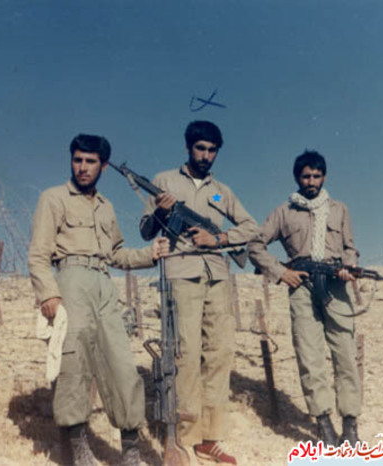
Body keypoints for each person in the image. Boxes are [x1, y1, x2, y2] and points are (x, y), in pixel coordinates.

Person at [28, 133, 169, 466]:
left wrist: (149, 254)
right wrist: (48, 293)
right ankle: (79, 449)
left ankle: (130, 451)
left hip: (104, 286)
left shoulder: (106, 207)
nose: (82, 167)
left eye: (90, 161)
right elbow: (38, 254)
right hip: (71, 281)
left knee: (122, 366)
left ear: (103, 166)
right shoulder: (53, 198)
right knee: (73, 365)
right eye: (77, 160)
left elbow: (116, 254)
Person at [140, 121, 259, 465]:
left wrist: (218, 239)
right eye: (200, 148)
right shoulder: (164, 181)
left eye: (211, 150)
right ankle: (184, 438)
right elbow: (146, 230)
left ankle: (211, 438)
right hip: (181, 272)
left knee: (219, 353)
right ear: (188, 148)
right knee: (186, 355)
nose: (206, 155)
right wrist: (161, 211)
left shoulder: (220, 192)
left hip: (216, 275)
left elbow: (250, 226)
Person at [248, 150, 361, 447]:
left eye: (317, 176)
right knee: (310, 357)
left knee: (345, 356)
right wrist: (280, 272)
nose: (311, 181)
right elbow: (255, 245)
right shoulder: (284, 212)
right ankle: (323, 424)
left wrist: (348, 267)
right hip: (302, 287)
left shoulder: (339, 209)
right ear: (297, 178)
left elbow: (350, 247)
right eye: (306, 176)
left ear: (324, 177)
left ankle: (350, 425)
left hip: (335, 287)